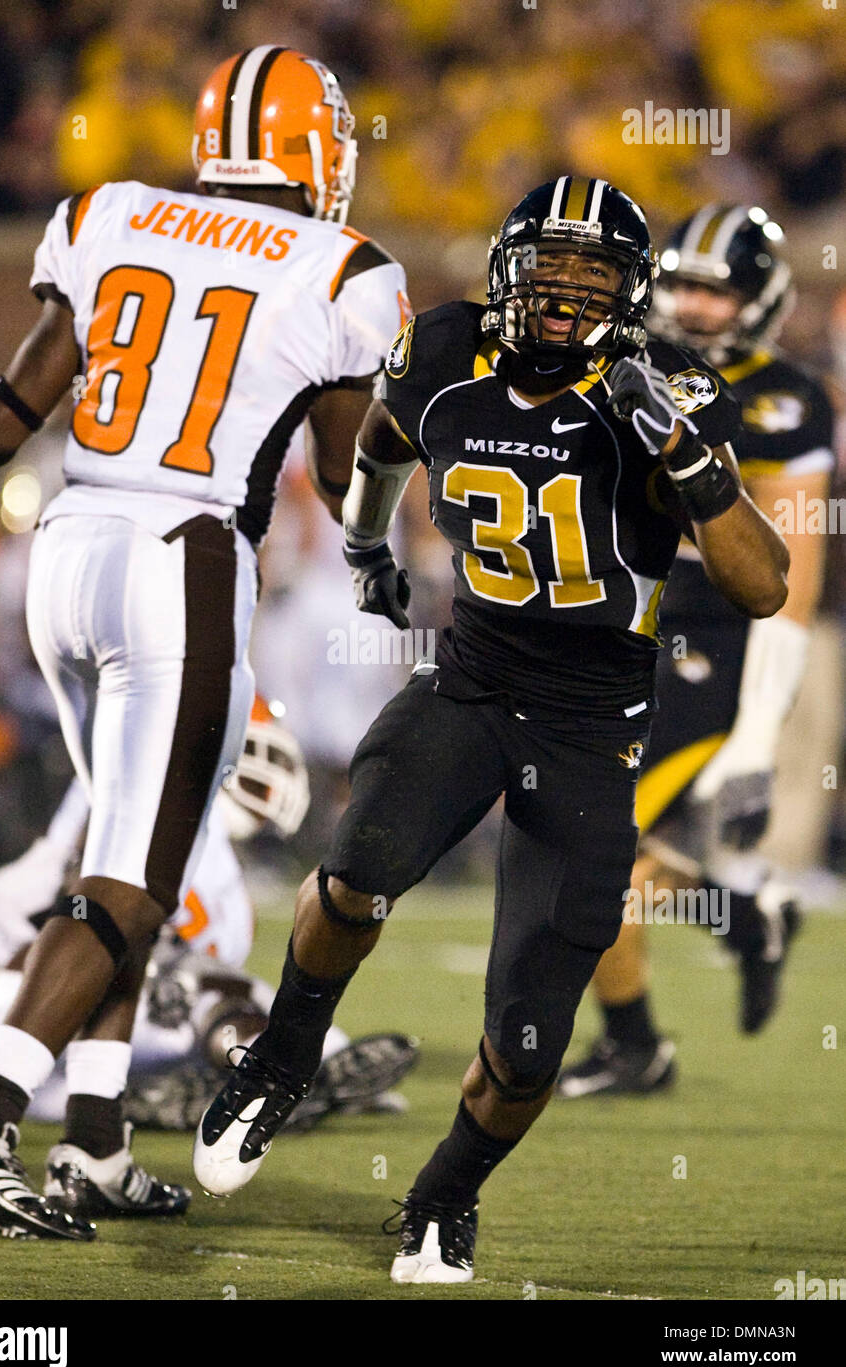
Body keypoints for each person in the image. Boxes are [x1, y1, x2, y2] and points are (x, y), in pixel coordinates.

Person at [190, 177, 790, 1283]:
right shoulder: (441, 351)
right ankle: (280, 1056)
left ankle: (441, 1195)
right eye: (548, 275)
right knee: (358, 863)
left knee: (526, 1044)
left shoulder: (669, 390)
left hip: (594, 720)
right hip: (470, 675)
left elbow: (764, 582)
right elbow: (377, 440)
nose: (563, 304)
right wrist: (368, 547)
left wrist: (691, 462)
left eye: (591, 281)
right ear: (506, 268)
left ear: (631, 294)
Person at [0, 45, 409, 1241]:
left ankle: (92, 1138)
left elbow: (19, 395)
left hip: (69, 549)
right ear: (312, 151)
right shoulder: (344, 267)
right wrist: (377, 553)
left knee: (136, 855)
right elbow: (346, 472)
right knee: (136, 881)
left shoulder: (110, 213)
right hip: (180, 563)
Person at [557, 205, 834, 1098]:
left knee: (591, 845)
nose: (694, 305)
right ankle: (744, 921)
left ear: (760, 299)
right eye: (680, 283)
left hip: (705, 638)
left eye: (717, 289)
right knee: (578, 836)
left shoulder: (781, 399)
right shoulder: (614, 362)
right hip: (606, 617)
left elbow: (791, 581)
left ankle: (636, 1043)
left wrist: (755, 740)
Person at [0, 704, 417, 1157]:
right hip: (69, 1001)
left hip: (40, 1031)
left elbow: (6, 911)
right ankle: (273, 1076)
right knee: (211, 982)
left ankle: (176, 1095)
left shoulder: (118, 793)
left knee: (247, 995)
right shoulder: (181, 821)